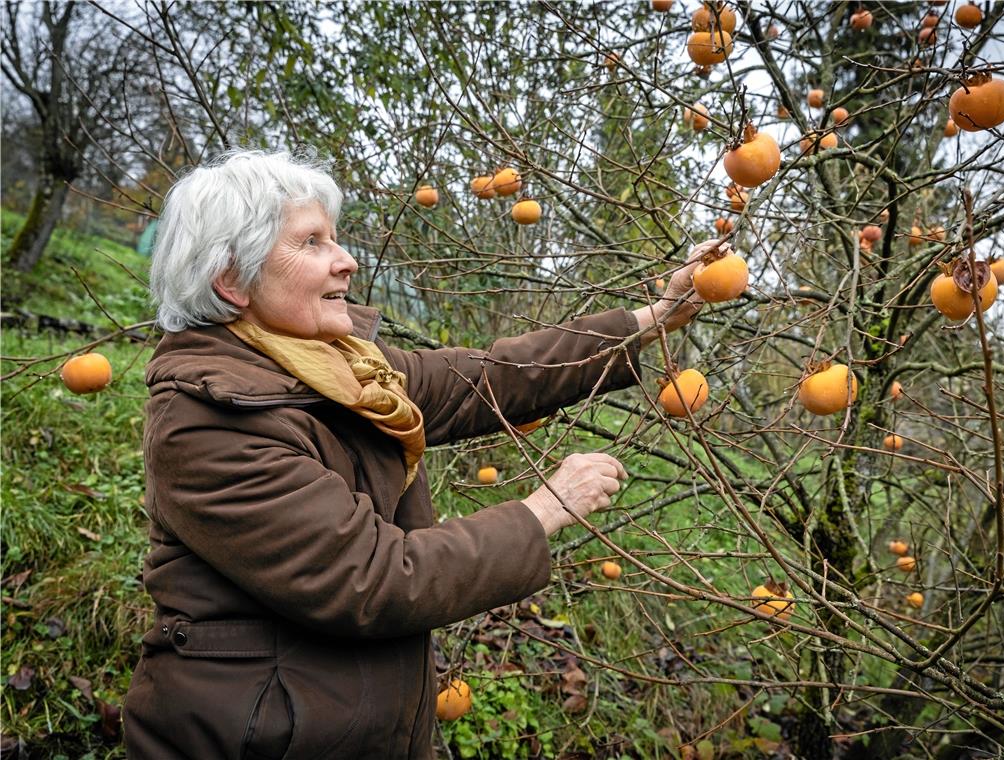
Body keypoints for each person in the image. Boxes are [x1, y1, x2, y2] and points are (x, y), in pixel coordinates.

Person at [123, 149, 719, 759]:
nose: (346, 260)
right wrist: (542, 511)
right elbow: (373, 579)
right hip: (257, 737)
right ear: (232, 279)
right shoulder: (206, 421)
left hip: (338, 721)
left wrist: (652, 319)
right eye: (312, 243)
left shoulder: (338, 369)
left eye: (336, 238)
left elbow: (486, 377)